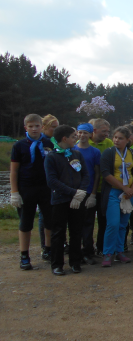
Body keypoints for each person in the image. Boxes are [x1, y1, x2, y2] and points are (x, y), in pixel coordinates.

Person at [10, 114, 54, 270]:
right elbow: (14, 171)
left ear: (42, 127)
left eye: (37, 126)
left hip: (46, 188)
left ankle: (48, 250)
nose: (34, 129)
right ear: (26, 128)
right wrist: (14, 191)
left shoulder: (48, 143)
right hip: (26, 188)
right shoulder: (19, 146)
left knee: (49, 221)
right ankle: (24, 255)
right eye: (31, 126)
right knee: (25, 223)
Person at [44, 125, 89, 275]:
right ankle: (57, 264)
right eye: (73, 136)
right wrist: (73, 192)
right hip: (60, 200)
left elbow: (85, 175)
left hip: (78, 200)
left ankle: (75, 262)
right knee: (58, 233)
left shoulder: (76, 154)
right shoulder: (51, 157)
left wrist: (81, 192)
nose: (76, 138)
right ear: (64, 138)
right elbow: (52, 181)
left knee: (76, 231)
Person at [99, 126, 133, 267]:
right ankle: (108, 253)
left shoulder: (132, 153)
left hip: (128, 194)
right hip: (113, 192)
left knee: (123, 224)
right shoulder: (108, 153)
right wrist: (123, 188)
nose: (116, 140)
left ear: (128, 140)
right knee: (113, 223)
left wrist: (131, 190)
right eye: (115, 137)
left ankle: (120, 251)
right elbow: (105, 173)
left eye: (120, 138)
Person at [73, 123, 101, 265]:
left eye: (85, 133)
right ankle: (76, 252)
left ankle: (88, 251)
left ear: (91, 135)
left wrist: (93, 194)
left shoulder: (95, 152)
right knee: (75, 224)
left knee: (88, 223)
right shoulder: (71, 150)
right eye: (80, 132)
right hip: (74, 192)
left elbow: (97, 174)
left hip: (89, 191)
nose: (82, 135)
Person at [89, 118, 113, 256]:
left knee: (104, 219)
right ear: (94, 130)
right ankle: (88, 247)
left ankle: (101, 246)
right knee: (88, 221)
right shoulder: (85, 143)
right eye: (104, 131)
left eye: (108, 131)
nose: (106, 134)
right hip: (89, 189)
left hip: (104, 188)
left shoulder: (109, 144)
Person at [38, 114, 59, 253]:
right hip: (41, 183)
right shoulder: (42, 142)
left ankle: (57, 244)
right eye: (53, 127)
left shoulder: (55, 142)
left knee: (54, 215)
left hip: (55, 183)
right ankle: (45, 247)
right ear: (44, 127)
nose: (56, 130)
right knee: (44, 216)